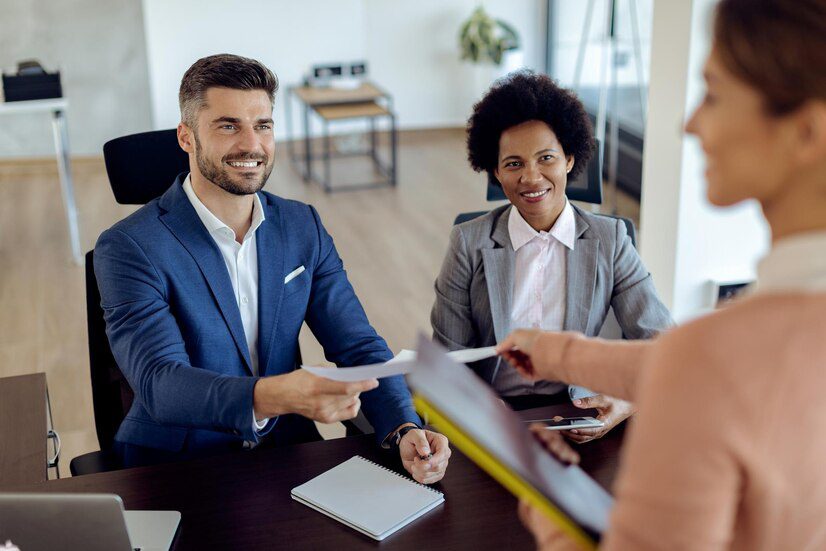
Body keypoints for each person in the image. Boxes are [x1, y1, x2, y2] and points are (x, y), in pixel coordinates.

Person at [499, 0, 826, 547]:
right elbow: (697, 368)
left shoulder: (710, 357)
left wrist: (550, 508)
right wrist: (556, 354)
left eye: (715, 93)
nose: (690, 122)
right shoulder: (740, 351)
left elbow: (699, 371)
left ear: (807, 131)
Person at [95, 54, 450, 483]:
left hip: (286, 450)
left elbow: (358, 346)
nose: (251, 145)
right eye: (228, 126)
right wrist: (275, 396)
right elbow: (160, 383)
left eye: (262, 126)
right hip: (179, 462)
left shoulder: (302, 226)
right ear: (186, 137)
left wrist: (403, 427)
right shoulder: (129, 246)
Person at [431, 71, 672, 441]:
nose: (531, 177)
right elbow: (448, 359)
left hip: (577, 411)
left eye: (546, 158)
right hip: (492, 417)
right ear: (495, 171)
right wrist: (474, 404)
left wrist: (625, 403)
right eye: (513, 164)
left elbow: (661, 343)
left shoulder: (611, 239)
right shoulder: (469, 242)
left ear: (570, 159)